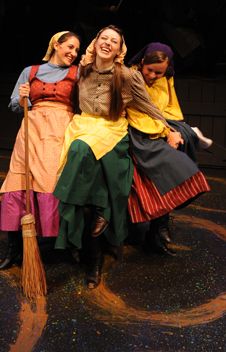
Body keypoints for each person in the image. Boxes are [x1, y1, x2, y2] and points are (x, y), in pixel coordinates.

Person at [53, 25, 172, 289]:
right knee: (81, 152)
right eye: (103, 38)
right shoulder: (81, 69)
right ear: (95, 43)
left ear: (120, 50)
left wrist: (170, 129)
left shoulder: (127, 75)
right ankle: (97, 219)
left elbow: (147, 105)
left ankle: (91, 251)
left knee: (83, 151)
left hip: (112, 128)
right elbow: (53, 78)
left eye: (114, 41)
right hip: (83, 126)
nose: (107, 43)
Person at [0, 31, 81, 271]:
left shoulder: (77, 73)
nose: (74, 54)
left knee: (52, 184)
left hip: (60, 131)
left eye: (77, 50)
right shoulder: (30, 71)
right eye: (70, 47)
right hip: (31, 131)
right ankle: (14, 250)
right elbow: (15, 105)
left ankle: (67, 245)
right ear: (56, 44)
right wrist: (22, 99)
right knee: (17, 182)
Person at [126, 42, 211, 256]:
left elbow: (170, 108)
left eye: (159, 72)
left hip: (160, 122)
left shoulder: (166, 78)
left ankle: (159, 227)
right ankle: (158, 227)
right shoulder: (131, 76)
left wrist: (171, 129)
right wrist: (167, 132)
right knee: (177, 157)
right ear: (142, 62)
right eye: (150, 71)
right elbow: (139, 111)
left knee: (185, 138)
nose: (154, 76)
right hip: (137, 128)